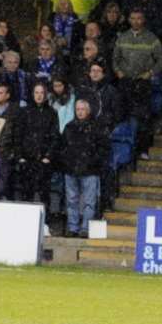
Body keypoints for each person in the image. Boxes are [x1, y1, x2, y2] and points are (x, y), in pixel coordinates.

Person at [113, 8, 162, 160]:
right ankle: (124, 151)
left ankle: (142, 149)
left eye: (139, 18)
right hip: (125, 82)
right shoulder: (122, 38)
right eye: (133, 18)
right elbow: (115, 59)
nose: (136, 21)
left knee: (143, 117)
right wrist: (118, 71)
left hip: (143, 83)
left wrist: (150, 73)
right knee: (122, 116)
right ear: (128, 20)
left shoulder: (151, 38)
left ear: (143, 20)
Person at [58, 100, 108, 237]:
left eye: (82, 109)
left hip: (90, 170)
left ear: (88, 110)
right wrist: (67, 163)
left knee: (89, 202)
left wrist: (92, 162)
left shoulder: (97, 127)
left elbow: (103, 149)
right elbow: (62, 148)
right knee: (71, 201)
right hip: (71, 170)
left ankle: (86, 228)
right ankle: (72, 228)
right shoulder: (69, 127)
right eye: (77, 109)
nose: (79, 111)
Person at [18, 82, 59, 213]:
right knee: (26, 192)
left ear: (46, 95)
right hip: (27, 159)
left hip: (43, 160)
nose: (39, 96)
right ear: (32, 94)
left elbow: (55, 136)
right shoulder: (25, 112)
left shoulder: (51, 113)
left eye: (42, 93)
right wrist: (21, 156)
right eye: (36, 92)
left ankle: (45, 222)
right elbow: (18, 135)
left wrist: (48, 156)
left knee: (44, 193)